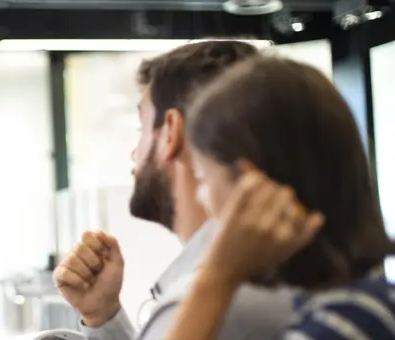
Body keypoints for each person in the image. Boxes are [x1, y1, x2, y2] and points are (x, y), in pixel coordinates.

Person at [54, 41, 296, 339]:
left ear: (171, 132)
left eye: (141, 126)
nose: (134, 152)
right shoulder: (271, 276)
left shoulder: (211, 302)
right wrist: (103, 315)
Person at [164, 56, 394, 339]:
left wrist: (216, 277)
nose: (201, 198)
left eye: (202, 179)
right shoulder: (344, 306)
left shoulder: (344, 323)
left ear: (251, 186)